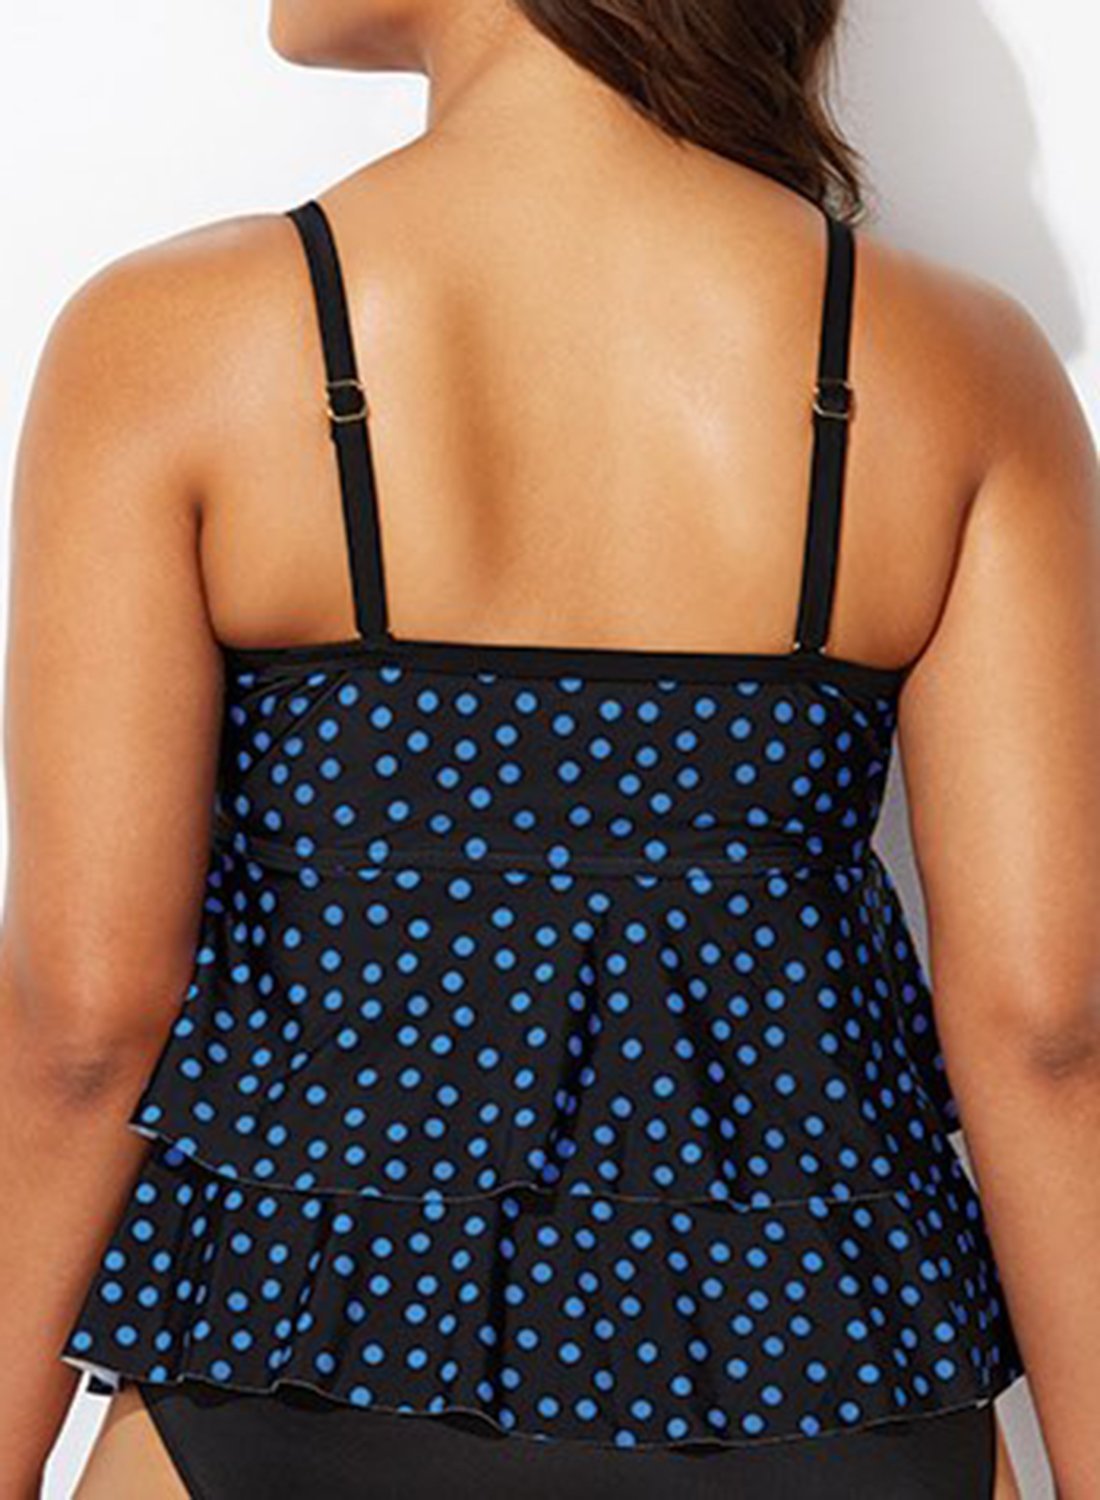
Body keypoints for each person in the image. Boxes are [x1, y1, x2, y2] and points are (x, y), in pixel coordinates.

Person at [1, 0, 1096, 1495]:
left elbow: (85, 1022)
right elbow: (1044, 1030)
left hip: (297, 1357)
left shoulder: (174, 340)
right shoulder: (954, 361)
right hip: (825, 1367)